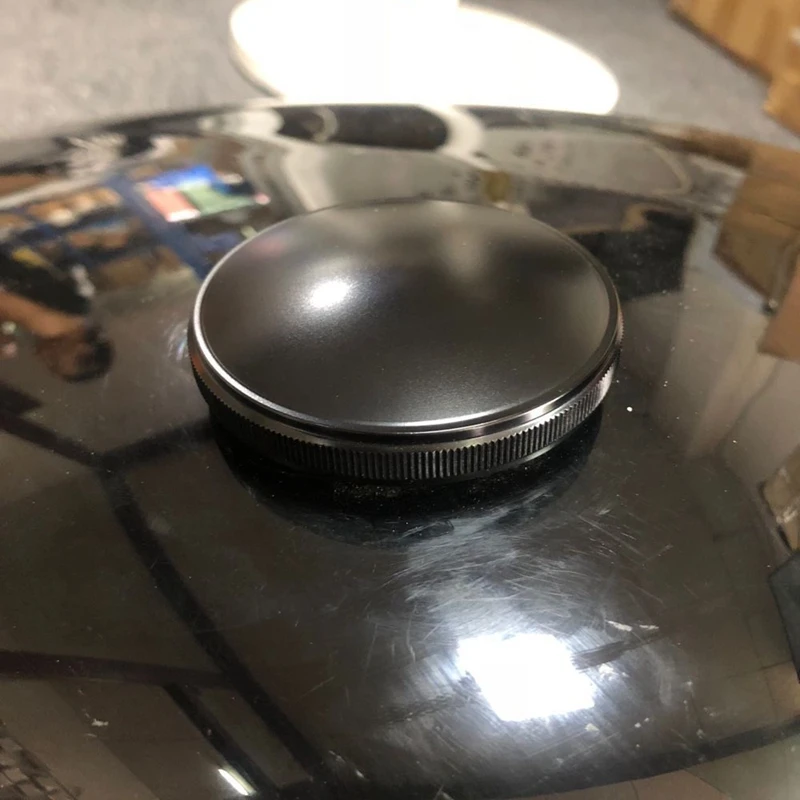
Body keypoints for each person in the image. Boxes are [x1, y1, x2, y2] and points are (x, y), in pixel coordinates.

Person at [0, 250, 113, 382]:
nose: (42, 359)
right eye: (53, 362)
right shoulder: (52, 326)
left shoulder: (79, 312)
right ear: (82, 349)